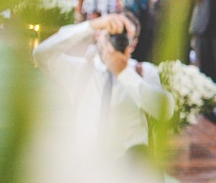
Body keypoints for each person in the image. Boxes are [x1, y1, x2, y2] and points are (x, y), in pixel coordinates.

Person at [32, 12, 174, 159]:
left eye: (122, 37)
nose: (113, 41)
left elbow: (165, 111)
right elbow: (41, 54)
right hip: (89, 168)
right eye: (109, 35)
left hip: (131, 169)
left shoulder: (143, 72)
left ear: (133, 43)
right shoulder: (80, 71)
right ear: (98, 36)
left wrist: (124, 73)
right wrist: (91, 25)